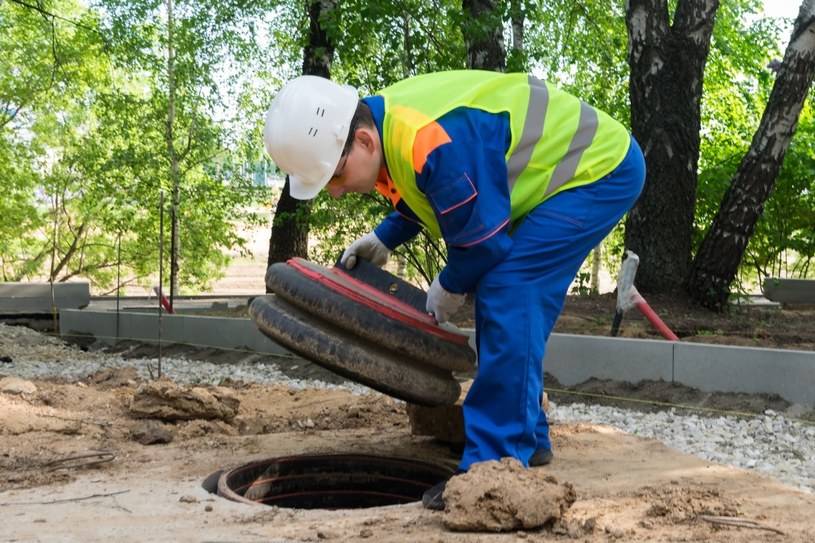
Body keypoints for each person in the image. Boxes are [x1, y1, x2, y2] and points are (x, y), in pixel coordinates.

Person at [263, 70, 645, 510]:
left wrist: (450, 283)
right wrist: (387, 235)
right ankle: (528, 438)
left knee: (508, 287)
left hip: (598, 170)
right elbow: (432, 185)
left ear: (364, 141)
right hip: (566, 176)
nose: (333, 192)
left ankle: (492, 468)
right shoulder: (390, 126)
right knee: (504, 287)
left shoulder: (425, 136)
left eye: (333, 174)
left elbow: (483, 240)